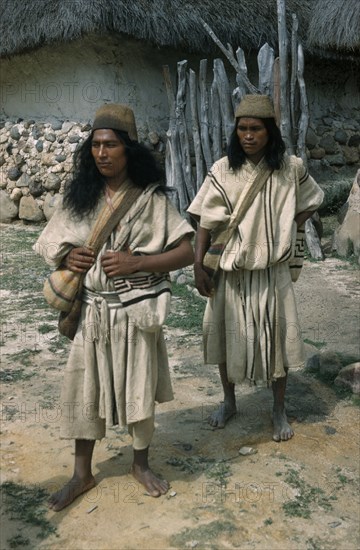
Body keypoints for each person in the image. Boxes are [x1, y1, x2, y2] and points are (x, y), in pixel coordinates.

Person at [34, 104, 194, 511]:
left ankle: (140, 465)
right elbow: (53, 242)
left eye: (111, 145)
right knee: (83, 389)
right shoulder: (81, 198)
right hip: (92, 312)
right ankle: (81, 474)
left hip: (136, 311)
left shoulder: (152, 201)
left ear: (129, 150)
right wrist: (67, 258)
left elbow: (187, 251)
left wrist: (137, 262)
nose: (102, 153)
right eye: (96, 145)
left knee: (138, 383)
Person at [187, 94, 324, 442]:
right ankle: (229, 401)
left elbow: (313, 198)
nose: (247, 136)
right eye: (242, 128)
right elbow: (204, 221)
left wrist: (289, 225)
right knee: (223, 336)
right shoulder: (222, 169)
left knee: (278, 341)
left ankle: (278, 410)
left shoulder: (290, 168)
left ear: (270, 132)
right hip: (231, 273)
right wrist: (198, 265)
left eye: (256, 129)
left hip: (271, 272)